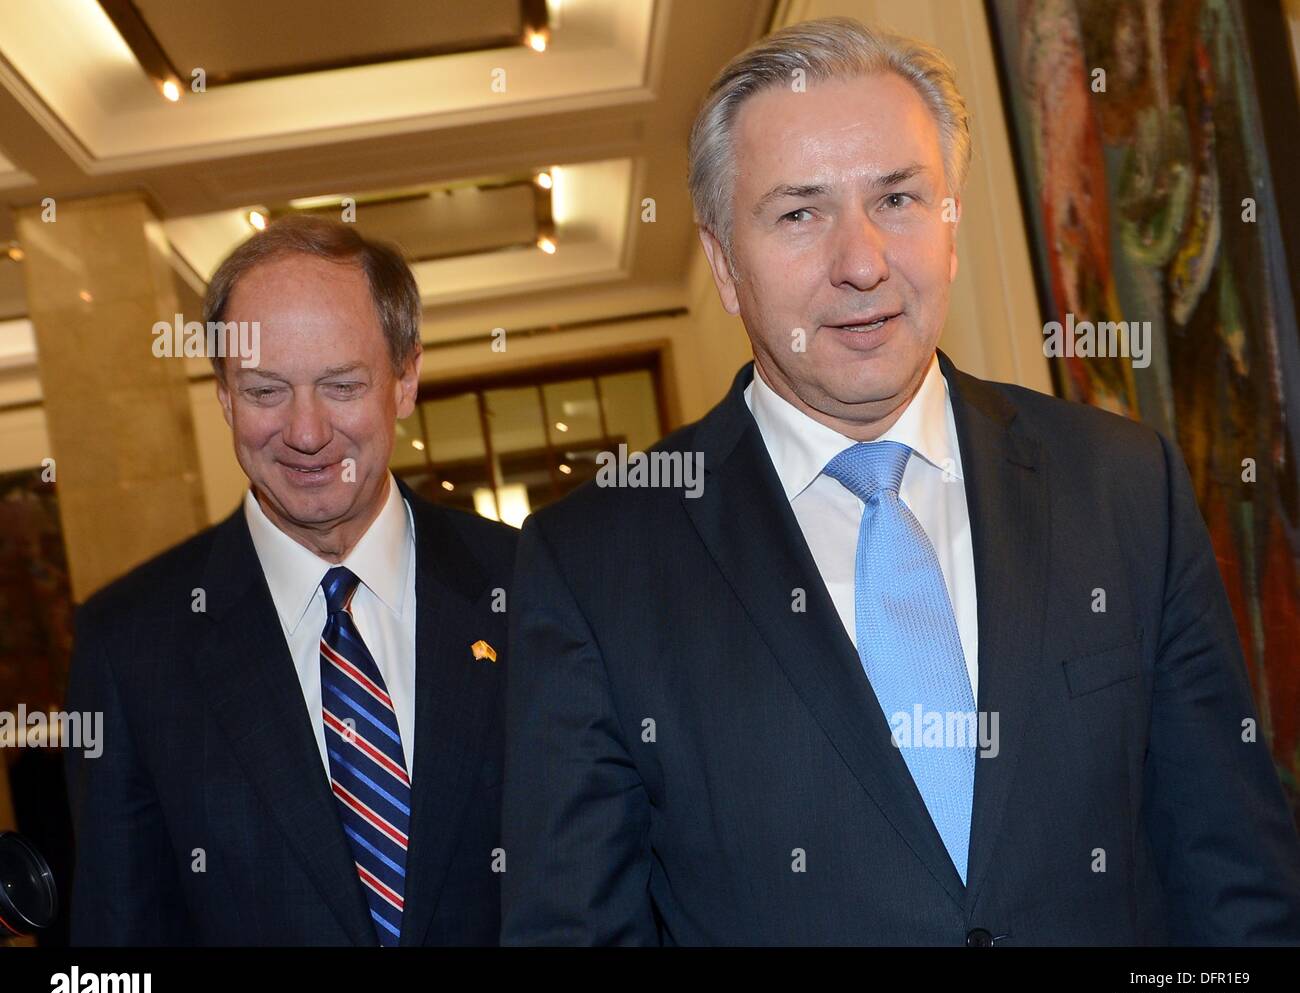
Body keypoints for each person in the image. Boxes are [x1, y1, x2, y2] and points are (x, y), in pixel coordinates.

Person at [500, 18, 1300, 945]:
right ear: (722, 263)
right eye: (800, 212)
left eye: (899, 199)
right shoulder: (594, 567)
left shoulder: (1124, 487)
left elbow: (1235, 883)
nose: (862, 263)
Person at [65, 216, 516, 945]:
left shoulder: (530, 591)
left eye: (341, 385)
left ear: (405, 380)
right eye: (266, 391)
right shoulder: (132, 646)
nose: (306, 433)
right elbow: (121, 950)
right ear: (222, 395)